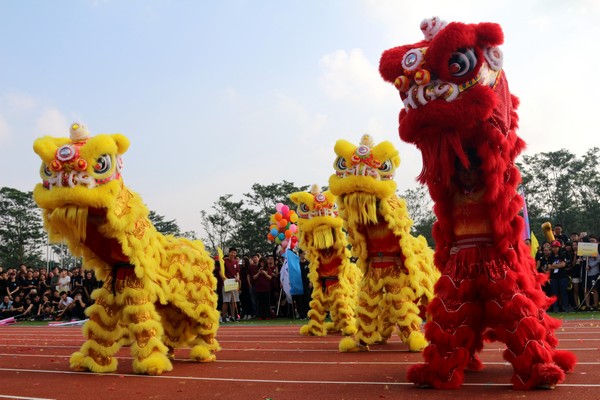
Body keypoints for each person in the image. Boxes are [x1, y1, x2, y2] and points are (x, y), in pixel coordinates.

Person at [548, 241, 572, 312]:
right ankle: (555, 307)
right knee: (554, 293)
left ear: (559, 247)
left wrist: (554, 265)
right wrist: (558, 266)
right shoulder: (550, 256)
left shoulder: (563, 255)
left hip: (562, 276)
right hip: (553, 277)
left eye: (556, 247)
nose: (554, 249)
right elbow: (549, 267)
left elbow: (563, 265)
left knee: (563, 292)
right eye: (553, 247)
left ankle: (565, 306)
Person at [221, 247, 240, 322]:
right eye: (232, 252)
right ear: (229, 253)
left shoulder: (236, 262)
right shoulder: (224, 261)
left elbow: (237, 272)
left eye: (234, 253)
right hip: (227, 283)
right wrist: (224, 279)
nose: (233, 254)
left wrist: (238, 277)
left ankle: (232, 316)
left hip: (234, 283)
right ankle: (224, 317)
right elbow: (221, 271)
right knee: (226, 301)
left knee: (233, 301)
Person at [582, 236, 600, 311]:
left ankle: (595, 304)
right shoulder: (585, 249)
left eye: (593, 240)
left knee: (594, 289)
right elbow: (583, 258)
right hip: (586, 272)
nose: (591, 242)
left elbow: (598, 260)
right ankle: (588, 305)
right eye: (590, 241)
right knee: (586, 289)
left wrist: (590, 266)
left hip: (593, 272)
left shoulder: (596, 250)